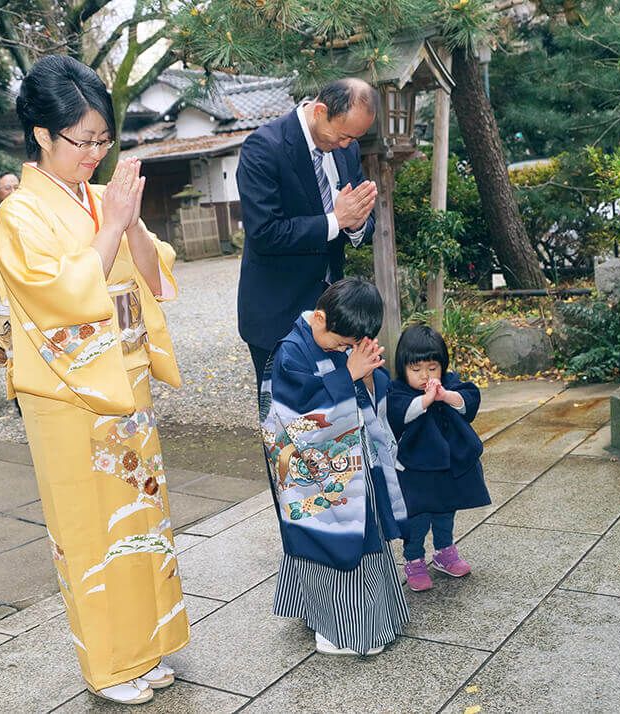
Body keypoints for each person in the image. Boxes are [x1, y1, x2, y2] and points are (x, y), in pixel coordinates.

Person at [0, 54, 187, 705]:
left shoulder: (104, 198)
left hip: (126, 385)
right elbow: (64, 298)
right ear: (42, 135)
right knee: (91, 533)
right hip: (68, 398)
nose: (95, 154)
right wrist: (113, 226)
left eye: (105, 140)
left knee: (140, 521)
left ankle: (147, 648)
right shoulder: (18, 217)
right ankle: (108, 667)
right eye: (83, 141)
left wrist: (126, 223)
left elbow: (154, 282)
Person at [260, 277, 409, 655]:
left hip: (353, 460)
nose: (346, 349)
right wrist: (348, 375)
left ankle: (368, 618)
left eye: (351, 345)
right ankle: (335, 630)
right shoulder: (291, 352)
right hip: (312, 474)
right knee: (331, 541)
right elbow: (299, 419)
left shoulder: (338, 337)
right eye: (341, 343)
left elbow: (370, 395)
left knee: (364, 534)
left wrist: (367, 373)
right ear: (320, 317)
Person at [237, 78, 380, 386]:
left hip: (332, 312)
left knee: (335, 409)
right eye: (343, 135)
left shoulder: (347, 149)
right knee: (286, 418)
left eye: (354, 138)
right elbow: (265, 232)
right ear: (320, 110)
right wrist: (336, 220)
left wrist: (356, 224)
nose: (346, 144)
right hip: (277, 310)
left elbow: (362, 220)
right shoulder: (264, 147)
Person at [386, 325, 491, 592]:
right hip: (415, 469)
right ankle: (414, 559)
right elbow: (398, 414)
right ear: (403, 368)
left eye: (432, 368)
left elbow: (469, 400)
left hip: (447, 465)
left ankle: (445, 550)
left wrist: (444, 395)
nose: (425, 376)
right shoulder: (397, 391)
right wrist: (425, 401)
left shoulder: (449, 383)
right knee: (417, 518)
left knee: (445, 510)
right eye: (416, 369)